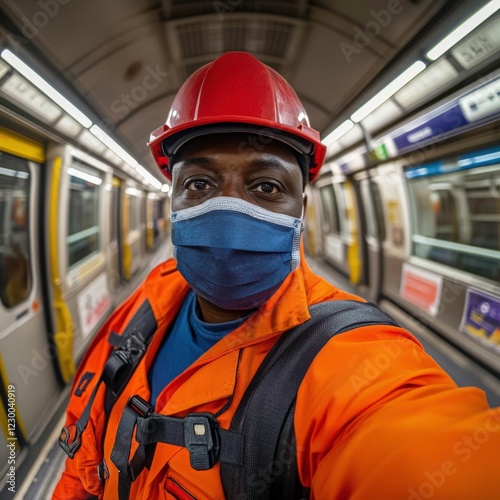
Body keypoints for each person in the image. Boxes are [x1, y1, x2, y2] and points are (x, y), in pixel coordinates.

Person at [53, 52, 499, 500]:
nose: (227, 213)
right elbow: (81, 460)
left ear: (301, 211)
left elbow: (425, 456)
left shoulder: (353, 365)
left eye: (266, 186)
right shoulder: (142, 308)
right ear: (172, 202)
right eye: (199, 184)